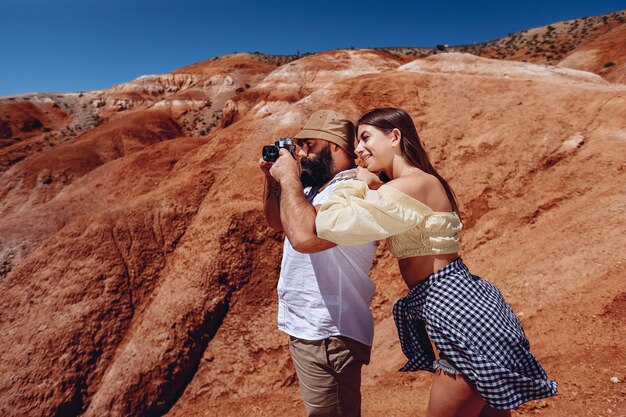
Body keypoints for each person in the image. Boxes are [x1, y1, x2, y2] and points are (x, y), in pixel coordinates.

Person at [315, 108, 557, 417]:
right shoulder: (414, 184)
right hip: (465, 309)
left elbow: (333, 221)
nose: (358, 150)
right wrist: (374, 185)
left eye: (365, 138)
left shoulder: (414, 183)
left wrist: (356, 182)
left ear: (394, 136)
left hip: (461, 317)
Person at [260, 109, 377, 417]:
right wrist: (273, 180)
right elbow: (277, 222)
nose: (300, 153)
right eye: (298, 146)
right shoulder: (315, 188)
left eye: (308, 145)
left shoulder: (352, 188)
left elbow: (304, 237)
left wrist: (288, 177)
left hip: (330, 332)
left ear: (335, 146)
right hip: (311, 328)